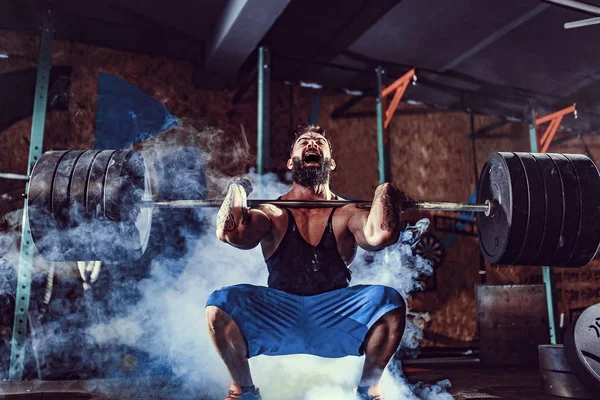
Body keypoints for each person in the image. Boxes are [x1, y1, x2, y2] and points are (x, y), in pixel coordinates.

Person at [206, 123, 408, 400]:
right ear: (291, 162)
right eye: (304, 141)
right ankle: (244, 390)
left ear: (331, 162)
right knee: (219, 305)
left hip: (335, 314)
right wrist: (238, 188)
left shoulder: (347, 212)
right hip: (279, 314)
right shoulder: (274, 211)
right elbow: (230, 232)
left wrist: (385, 191)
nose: (312, 144)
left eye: (319, 142)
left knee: (389, 303)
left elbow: (381, 234)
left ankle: (368, 389)